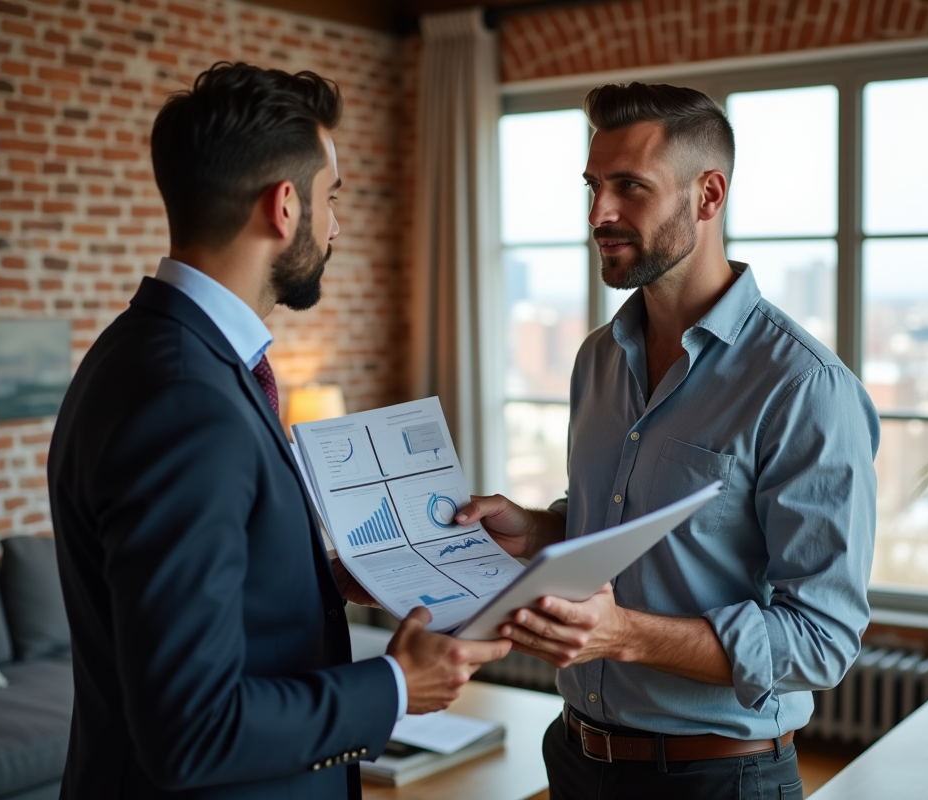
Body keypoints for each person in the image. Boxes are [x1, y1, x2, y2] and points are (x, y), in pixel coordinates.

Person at [47, 62, 509, 800]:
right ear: (283, 206)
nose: (337, 226)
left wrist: (322, 576)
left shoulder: (149, 350)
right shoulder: (183, 398)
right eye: (332, 200)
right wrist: (396, 684)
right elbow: (191, 728)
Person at [457, 83, 880, 799]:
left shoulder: (804, 387)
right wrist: (537, 529)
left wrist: (622, 634)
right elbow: (623, 520)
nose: (599, 214)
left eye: (629, 187)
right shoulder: (597, 356)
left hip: (717, 778)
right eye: (593, 186)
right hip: (573, 756)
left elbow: (822, 640)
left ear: (708, 195)